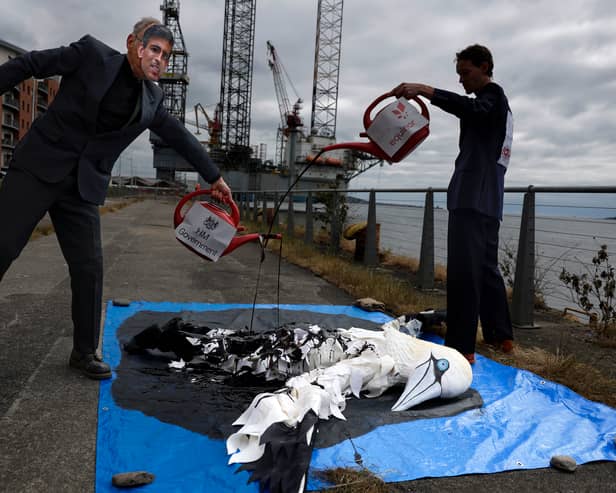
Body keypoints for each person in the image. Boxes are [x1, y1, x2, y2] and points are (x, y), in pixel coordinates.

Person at [0, 20, 232, 379]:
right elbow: (29, 64)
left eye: (166, 56)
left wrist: (214, 176)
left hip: (82, 188)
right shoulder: (91, 55)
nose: (159, 60)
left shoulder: (153, 99)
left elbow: (180, 136)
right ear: (132, 44)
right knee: (3, 246)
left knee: (89, 268)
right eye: (154, 49)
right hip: (38, 168)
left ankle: (83, 353)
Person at [391, 44, 514, 363]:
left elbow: (470, 109)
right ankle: (502, 336)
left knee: (463, 273)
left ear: (485, 66)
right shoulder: (498, 105)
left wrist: (424, 90)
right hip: (489, 199)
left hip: (471, 197)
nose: (462, 81)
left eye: (466, 73)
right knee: (486, 269)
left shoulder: (492, 99)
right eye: (458, 75)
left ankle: (462, 347)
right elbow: (471, 110)